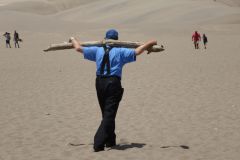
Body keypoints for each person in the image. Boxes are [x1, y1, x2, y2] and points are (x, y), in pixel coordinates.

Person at [70, 29, 157, 152]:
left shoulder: (98, 50)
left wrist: (73, 39)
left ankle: (110, 140)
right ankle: (98, 143)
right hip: (113, 83)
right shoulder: (120, 51)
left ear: (105, 39)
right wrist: (150, 42)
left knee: (107, 113)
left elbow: (78, 48)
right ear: (117, 40)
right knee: (109, 114)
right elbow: (137, 51)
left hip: (99, 83)